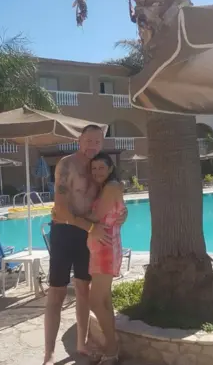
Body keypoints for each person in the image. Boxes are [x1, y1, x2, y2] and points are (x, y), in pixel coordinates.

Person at [44, 124, 126, 365]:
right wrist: (90, 227)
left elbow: (111, 199)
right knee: (56, 292)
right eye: (88, 140)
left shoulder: (98, 169)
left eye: (97, 142)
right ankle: (49, 353)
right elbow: (60, 208)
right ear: (79, 140)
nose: (93, 145)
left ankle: (81, 344)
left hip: (90, 237)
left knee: (83, 290)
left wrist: (124, 212)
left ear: (102, 144)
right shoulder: (67, 165)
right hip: (66, 232)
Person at [85, 152, 126, 364]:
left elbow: (95, 216)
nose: (97, 172)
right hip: (101, 248)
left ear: (110, 168)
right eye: (94, 169)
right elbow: (115, 215)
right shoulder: (107, 188)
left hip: (105, 249)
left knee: (94, 301)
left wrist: (69, 214)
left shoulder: (111, 187)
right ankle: (112, 348)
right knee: (104, 301)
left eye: (101, 168)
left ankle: (111, 347)